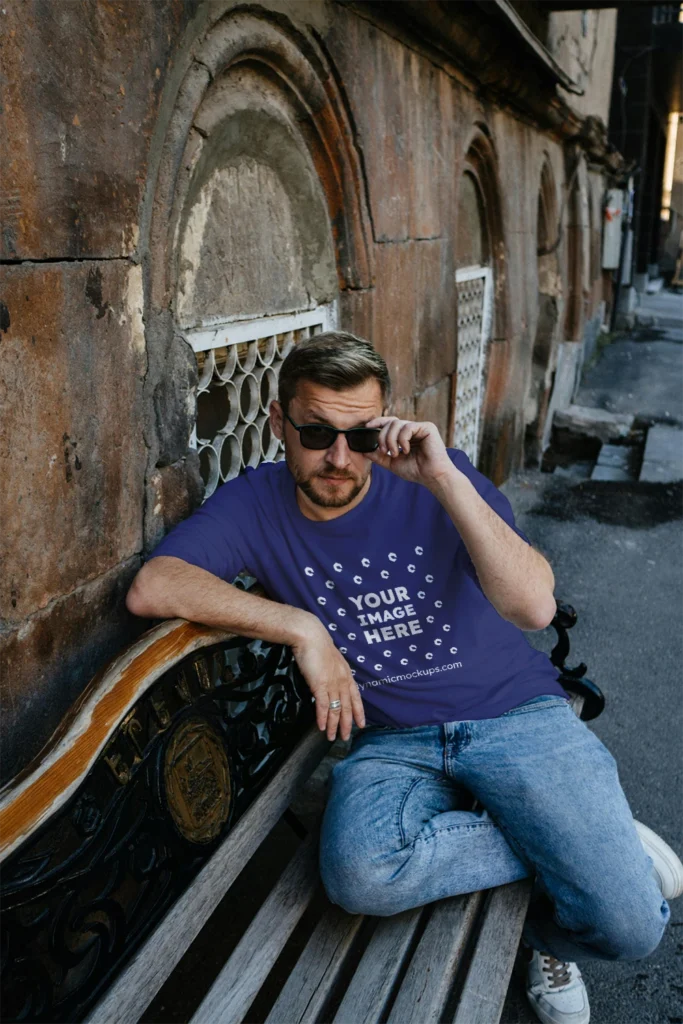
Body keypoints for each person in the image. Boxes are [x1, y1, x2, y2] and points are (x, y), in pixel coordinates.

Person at [126, 332, 682, 1024]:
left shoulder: (433, 476)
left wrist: (444, 478)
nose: (337, 458)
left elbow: (533, 606)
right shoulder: (256, 503)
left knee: (632, 926)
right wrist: (304, 628)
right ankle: (578, 840)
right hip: (393, 739)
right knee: (359, 874)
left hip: (514, 712)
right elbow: (154, 586)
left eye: (358, 437)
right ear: (277, 424)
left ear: (383, 423)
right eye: (315, 432)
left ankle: (547, 929)